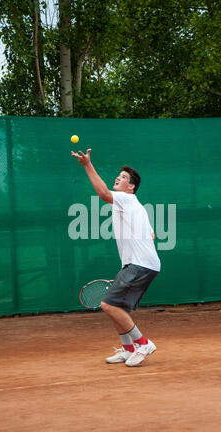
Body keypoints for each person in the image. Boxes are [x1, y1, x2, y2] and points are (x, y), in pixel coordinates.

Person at [72, 148, 161, 367]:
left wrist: (87, 165)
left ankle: (142, 343)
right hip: (138, 263)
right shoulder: (135, 207)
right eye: (119, 176)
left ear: (131, 187)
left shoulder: (127, 200)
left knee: (107, 305)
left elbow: (102, 193)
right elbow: (152, 234)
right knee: (118, 308)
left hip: (140, 264)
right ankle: (128, 348)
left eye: (123, 178)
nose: (118, 178)